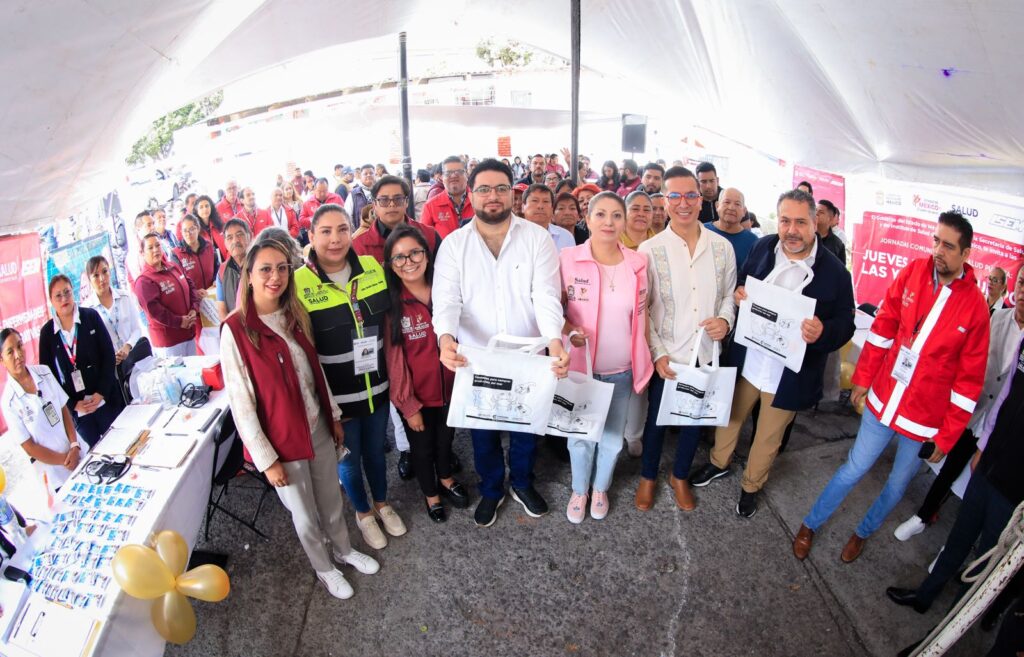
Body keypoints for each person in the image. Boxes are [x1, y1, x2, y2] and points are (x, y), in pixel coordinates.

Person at [794, 211, 991, 563]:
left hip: (923, 418)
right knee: (854, 468)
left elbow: (968, 382)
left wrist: (946, 437)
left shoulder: (975, 307)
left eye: (948, 246)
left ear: (966, 253)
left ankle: (862, 532)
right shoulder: (913, 272)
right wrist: (863, 378)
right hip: (884, 397)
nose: (938, 250)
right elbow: (883, 329)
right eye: (936, 241)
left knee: (898, 484)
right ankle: (810, 523)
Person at [221, 232, 379, 599]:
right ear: (248, 275)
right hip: (282, 442)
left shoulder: (293, 313)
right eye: (265, 269)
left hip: (317, 427)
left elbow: (314, 370)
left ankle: (344, 550)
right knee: (304, 515)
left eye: (281, 268)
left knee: (331, 499)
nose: (275, 277)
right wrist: (266, 459)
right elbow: (241, 405)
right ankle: (324, 569)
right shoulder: (236, 330)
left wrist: (333, 416)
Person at [689, 189, 856, 517]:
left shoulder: (836, 272)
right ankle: (718, 463)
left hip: (789, 374)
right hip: (749, 359)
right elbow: (743, 280)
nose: (792, 230)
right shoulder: (763, 246)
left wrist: (823, 331)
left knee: (768, 436)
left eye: (800, 222)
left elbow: (846, 325)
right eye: (785, 221)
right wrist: (739, 293)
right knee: (729, 417)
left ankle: (752, 485)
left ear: (815, 223)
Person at [433, 158, 569, 527]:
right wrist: (445, 338)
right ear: (470, 194)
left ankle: (522, 482)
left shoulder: (537, 238)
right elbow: (446, 300)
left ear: (512, 194)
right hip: (478, 358)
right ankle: (492, 488)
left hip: (529, 355)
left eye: (500, 188)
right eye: (483, 189)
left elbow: (545, 295)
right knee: (483, 433)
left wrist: (555, 342)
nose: (492, 196)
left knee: (526, 429)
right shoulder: (454, 245)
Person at [884, 287, 1024, 616]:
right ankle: (925, 596)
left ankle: (957, 623)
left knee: (988, 557)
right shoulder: (1014, 335)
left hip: (1015, 486)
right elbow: (1005, 397)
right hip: (990, 460)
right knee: (961, 533)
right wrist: (984, 445)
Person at [294, 203, 407, 550]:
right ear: (311, 236)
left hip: (378, 388)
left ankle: (382, 503)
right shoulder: (298, 283)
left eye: (342, 229)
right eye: (325, 231)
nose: (335, 239)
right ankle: (363, 512)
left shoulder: (372, 267)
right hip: (337, 399)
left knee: (376, 452)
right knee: (349, 459)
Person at [892, 264, 1024, 541]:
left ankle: (958, 542)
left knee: (982, 485)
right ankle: (922, 516)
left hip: (1004, 427)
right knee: (949, 466)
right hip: (975, 409)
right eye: (1022, 283)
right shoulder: (996, 318)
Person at [635, 166, 737, 511]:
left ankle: (679, 475)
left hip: (705, 353)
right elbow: (643, 309)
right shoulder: (649, 250)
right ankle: (648, 476)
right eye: (675, 196)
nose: (684, 203)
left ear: (701, 199)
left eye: (691, 195)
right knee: (657, 421)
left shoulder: (722, 248)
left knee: (695, 419)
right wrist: (657, 352)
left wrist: (725, 320)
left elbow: (728, 295)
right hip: (668, 354)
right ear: (664, 201)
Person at [560, 192, 653, 522]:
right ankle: (579, 490)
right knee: (579, 437)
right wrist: (569, 329)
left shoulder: (637, 263)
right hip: (581, 370)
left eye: (616, 215)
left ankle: (600, 487)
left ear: (624, 222)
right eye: (600, 214)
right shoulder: (568, 259)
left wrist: (643, 358)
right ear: (587, 218)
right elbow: (553, 307)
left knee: (612, 437)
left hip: (621, 370)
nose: (608, 222)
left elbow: (643, 313)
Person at [383, 226, 469, 522]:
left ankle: (445, 477)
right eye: (399, 257)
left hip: (451, 391)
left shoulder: (448, 293)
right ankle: (431, 493)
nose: (408, 262)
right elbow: (394, 362)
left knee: (446, 441)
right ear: (390, 264)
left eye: (415, 253)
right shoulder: (392, 306)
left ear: (428, 254)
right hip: (417, 399)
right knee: (421, 450)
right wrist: (408, 406)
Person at [38, 275, 124, 448]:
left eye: (67, 292)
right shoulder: (47, 333)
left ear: (73, 293)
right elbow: (48, 377)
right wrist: (72, 404)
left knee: (121, 445)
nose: (64, 299)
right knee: (97, 453)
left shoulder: (91, 316)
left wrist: (101, 393)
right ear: (51, 301)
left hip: (106, 399)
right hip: (79, 410)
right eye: (58, 296)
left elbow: (108, 356)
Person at [1, 328, 84, 493]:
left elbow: (63, 409)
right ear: (2, 360)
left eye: (20, 346)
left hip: (78, 453)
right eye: (10, 352)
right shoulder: (8, 402)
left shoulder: (44, 372)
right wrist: (65, 460)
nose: (18, 354)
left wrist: (74, 445)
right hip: (55, 476)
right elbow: (29, 447)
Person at [134, 233, 203, 357]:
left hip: (189, 334)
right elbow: (155, 312)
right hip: (169, 343)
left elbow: (190, 285)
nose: (155, 250)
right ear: (143, 253)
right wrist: (179, 321)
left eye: (157, 245)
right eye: (150, 248)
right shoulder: (144, 281)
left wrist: (194, 309)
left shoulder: (173, 267)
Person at [82, 255, 147, 383]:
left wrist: (128, 346)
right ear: (89, 279)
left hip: (134, 361)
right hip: (108, 370)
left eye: (105, 271)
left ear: (110, 271)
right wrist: (110, 356)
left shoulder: (124, 297)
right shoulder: (86, 310)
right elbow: (90, 346)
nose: (102, 279)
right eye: (96, 275)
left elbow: (137, 329)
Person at [704, 188, 759, 270]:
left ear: (744, 211)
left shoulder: (753, 242)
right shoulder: (702, 231)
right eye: (727, 202)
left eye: (737, 204)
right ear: (717, 206)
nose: (731, 207)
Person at [420, 156, 473, 238]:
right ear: (442, 177)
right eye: (448, 173)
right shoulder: (430, 206)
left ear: (466, 174)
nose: (453, 176)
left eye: (458, 172)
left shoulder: (479, 201)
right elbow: (424, 239)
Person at [216, 219, 252, 320]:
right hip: (235, 326)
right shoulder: (222, 271)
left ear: (250, 236)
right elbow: (222, 309)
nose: (235, 241)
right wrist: (231, 328)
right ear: (225, 243)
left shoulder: (260, 265)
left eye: (239, 235)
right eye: (229, 237)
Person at [173, 214, 219, 293]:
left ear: (198, 229)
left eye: (192, 229)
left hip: (212, 292)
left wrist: (216, 280)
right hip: (193, 297)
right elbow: (179, 281)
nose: (188, 233)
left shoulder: (209, 246)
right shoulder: (176, 254)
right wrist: (194, 292)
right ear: (181, 232)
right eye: (185, 230)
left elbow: (217, 266)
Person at [523, 184, 575, 252]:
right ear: (523, 207)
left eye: (546, 201)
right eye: (535, 200)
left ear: (552, 209)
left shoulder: (566, 237)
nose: (540, 206)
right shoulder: (513, 235)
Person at [180, 194, 226, 259]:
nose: (205, 209)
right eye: (201, 207)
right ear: (196, 210)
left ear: (211, 207)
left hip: (226, 260)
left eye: (207, 206)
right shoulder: (195, 229)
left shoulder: (220, 223)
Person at [814, 200, 847, 264]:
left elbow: (840, 268)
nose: (816, 214)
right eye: (815, 210)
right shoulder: (805, 237)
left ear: (831, 218)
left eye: (821, 212)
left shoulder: (838, 244)